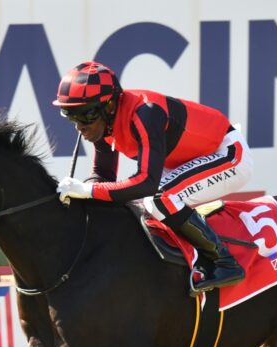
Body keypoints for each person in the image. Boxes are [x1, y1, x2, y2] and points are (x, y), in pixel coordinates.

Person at [52, 60, 252, 293]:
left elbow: (146, 183)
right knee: (142, 205)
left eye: (85, 115)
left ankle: (225, 263)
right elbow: (103, 175)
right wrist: (81, 196)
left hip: (227, 153)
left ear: (109, 105)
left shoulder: (146, 113)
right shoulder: (104, 123)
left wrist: (87, 190)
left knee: (158, 199)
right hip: (187, 160)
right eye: (71, 116)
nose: (79, 127)